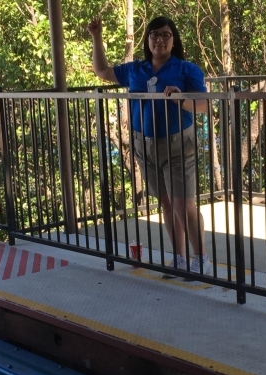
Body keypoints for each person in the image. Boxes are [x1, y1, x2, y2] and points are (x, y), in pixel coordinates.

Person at [88, 15, 210, 273]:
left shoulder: (186, 69)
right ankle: (179, 259)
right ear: (147, 39)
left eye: (166, 35)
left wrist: (181, 99)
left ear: (173, 40)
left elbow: (204, 106)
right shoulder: (136, 69)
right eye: (155, 34)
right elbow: (102, 71)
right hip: (146, 147)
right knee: (165, 203)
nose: (160, 40)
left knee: (182, 204)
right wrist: (97, 38)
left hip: (179, 146)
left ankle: (200, 260)